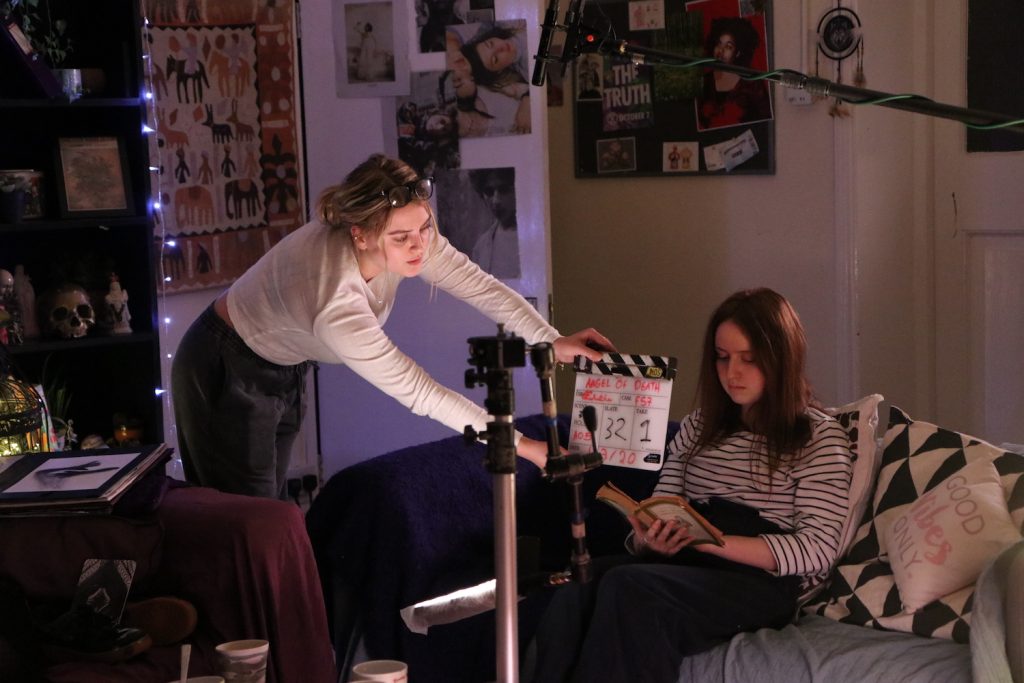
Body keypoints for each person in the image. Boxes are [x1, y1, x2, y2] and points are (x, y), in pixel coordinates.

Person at [172, 154, 614, 499]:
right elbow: (422, 393)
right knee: (246, 523)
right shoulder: (335, 301)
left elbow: (480, 287)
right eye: (401, 238)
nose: (419, 246)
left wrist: (551, 339)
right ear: (360, 234)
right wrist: (524, 446)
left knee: (269, 514)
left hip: (284, 365)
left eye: (424, 229)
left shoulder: (412, 234)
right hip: (226, 365)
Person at [526, 288, 852, 683]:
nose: (732, 372)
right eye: (722, 357)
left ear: (782, 359)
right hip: (688, 558)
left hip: (756, 579)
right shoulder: (700, 425)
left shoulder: (819, 436)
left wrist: (712, 542)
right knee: (580, 584)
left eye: (749, 359)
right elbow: (662, 502)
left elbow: (818, 550)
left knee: (631, 588)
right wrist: (649, 539)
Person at [696, 16, 773, 130]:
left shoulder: (752, 83)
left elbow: (765, 121)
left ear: (737, 53)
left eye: (728, 47)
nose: (721, 51)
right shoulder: (703, 81)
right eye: (719, 44)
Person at [459, 24, 531, 134]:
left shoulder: (501, 25)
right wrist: (527, 98)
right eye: (495, 59)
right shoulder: (528, 68)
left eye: (490, 44)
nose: (500, 48)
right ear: (499, 71)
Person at [469, 168, 520, 279]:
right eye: (489, 192)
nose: (496, 201)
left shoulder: (539, 239)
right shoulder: (481, 248)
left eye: (504, 190)